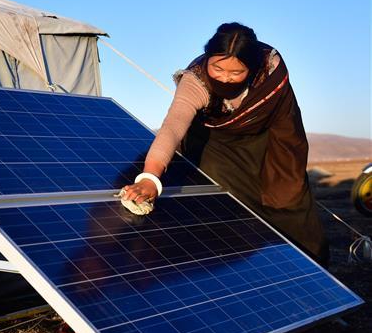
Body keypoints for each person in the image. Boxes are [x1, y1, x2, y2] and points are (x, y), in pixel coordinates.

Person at [121, 22, 330, 266]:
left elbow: (287, 122)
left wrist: (285, 176)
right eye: (217, 69)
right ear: (208, 59)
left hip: (272, 141)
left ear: (251, 69)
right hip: (218, 145)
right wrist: (150, 178)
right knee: (233, 205)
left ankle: (312, 273)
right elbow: (173, 127)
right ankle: (251, 270)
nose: (225, 78)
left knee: (290, 201)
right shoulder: (196, 81)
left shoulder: (270, 73)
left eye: (236, 73)